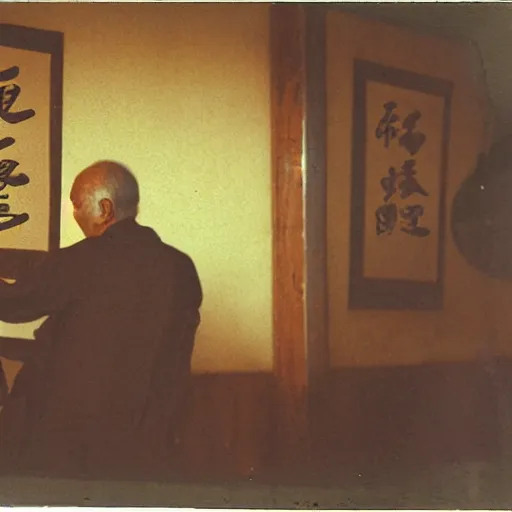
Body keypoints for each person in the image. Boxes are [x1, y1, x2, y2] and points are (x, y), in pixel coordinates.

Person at [0, 161, 202, 479]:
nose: (75, 214)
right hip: (149, 438)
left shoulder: (82, 260)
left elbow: (11, 305)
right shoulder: (181, 267)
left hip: (72, 443)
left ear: (105, 208)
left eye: (76, 204)